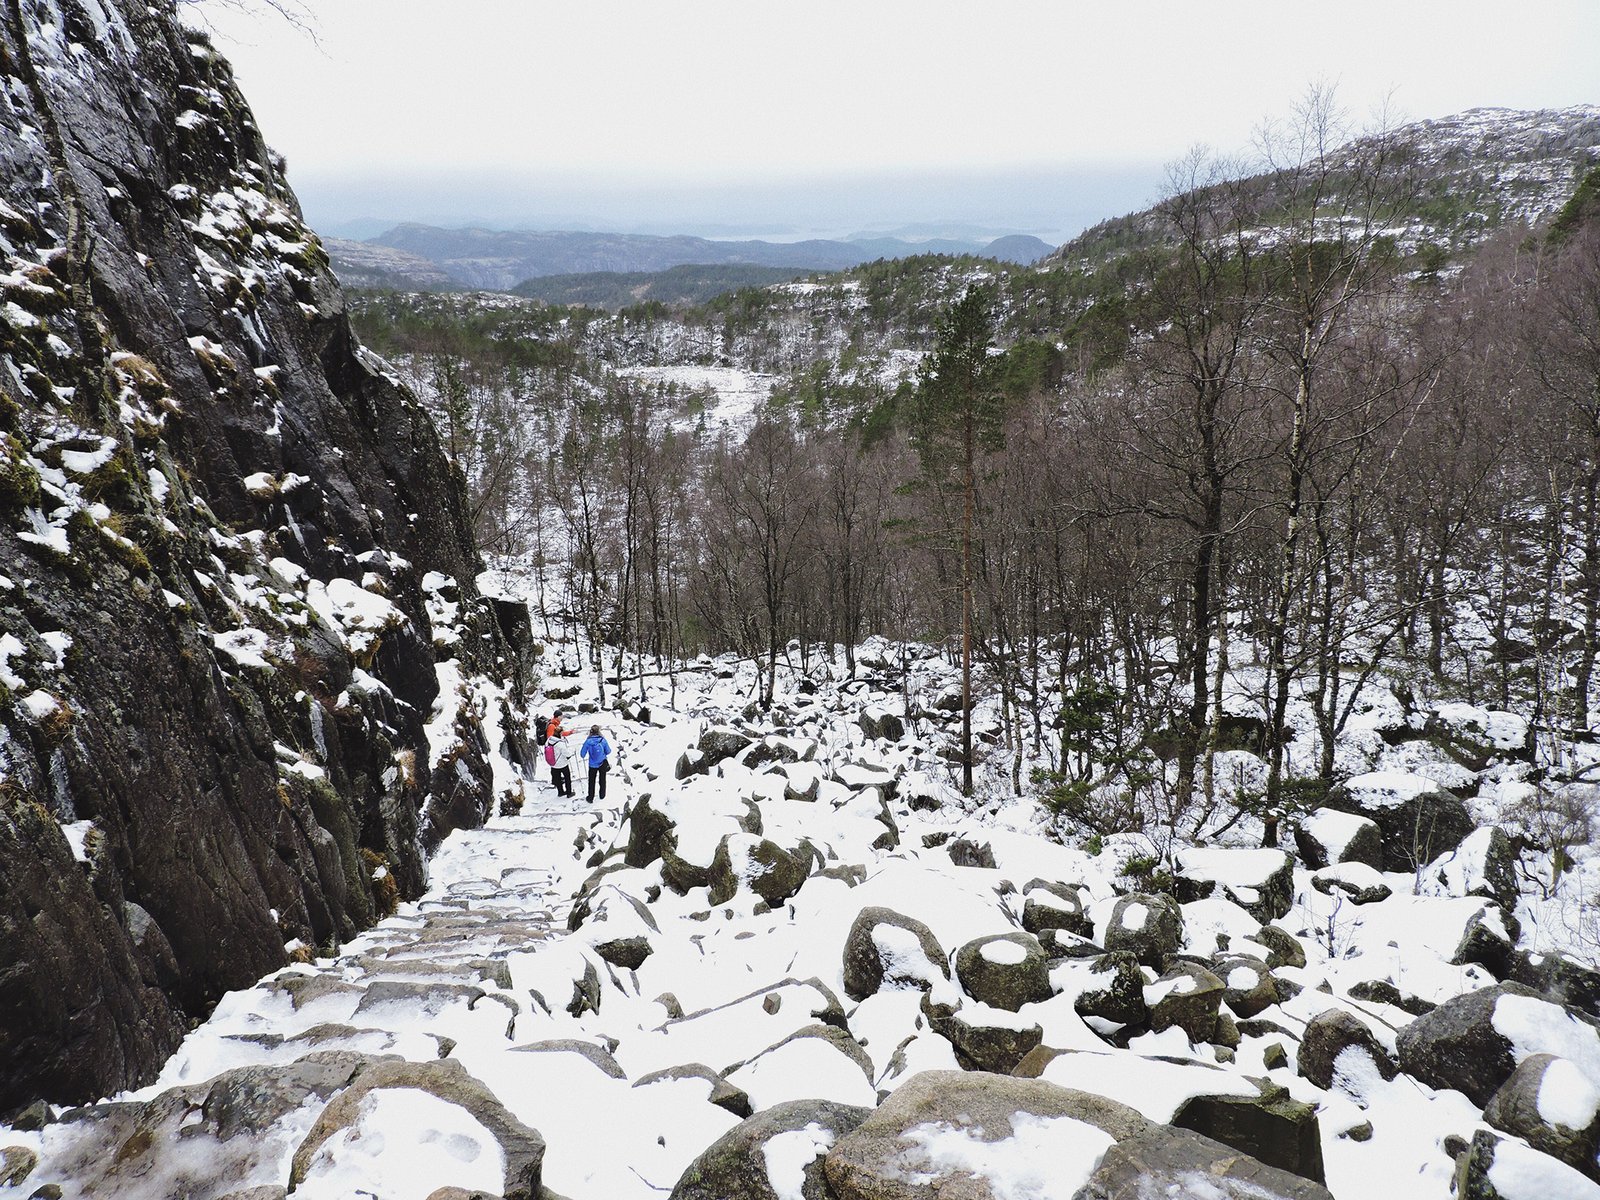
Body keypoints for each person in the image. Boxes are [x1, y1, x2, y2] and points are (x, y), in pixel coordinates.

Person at [580, 724, 612, 803]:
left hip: (592, 764)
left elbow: (582, 754)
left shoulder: (588, 741)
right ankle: (602, 795)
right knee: (602, 779)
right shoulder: (602, 740)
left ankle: (590, 797)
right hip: (602, 763)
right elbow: (608, 751)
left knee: (591, 781)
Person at [550, 728, 574, 798]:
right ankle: (569, 793)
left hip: (553, 763)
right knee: (567, 778)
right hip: (562, 764)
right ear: (560, 733)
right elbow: (567, 754)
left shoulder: (549, 740)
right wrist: (572, 752)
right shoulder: (560, 744)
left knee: (557, 779)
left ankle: (560, 792)